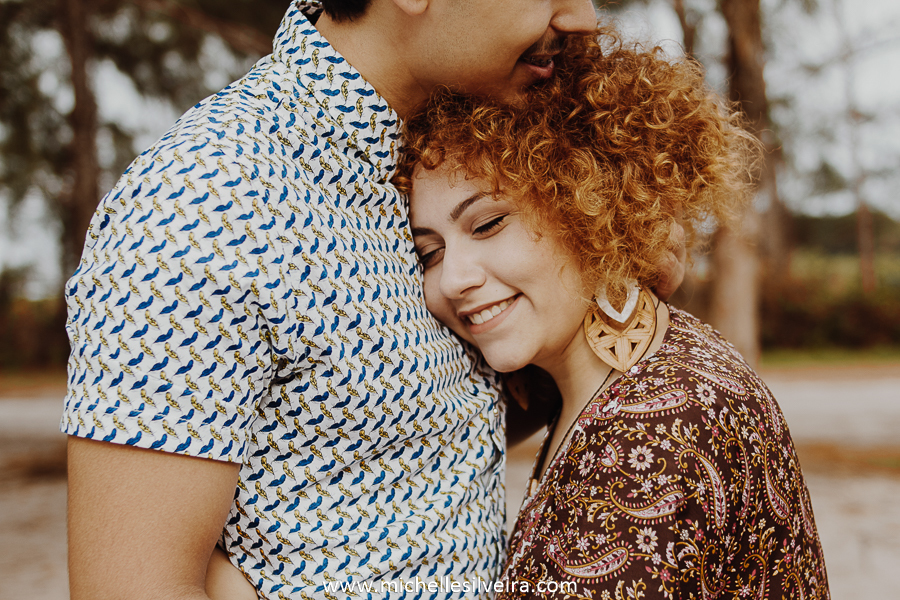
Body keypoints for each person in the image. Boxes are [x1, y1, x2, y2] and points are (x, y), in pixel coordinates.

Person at [63, 1, 686, 599]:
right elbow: (131, 589)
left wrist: (611, 274)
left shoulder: (450, 150)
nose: (578, 17)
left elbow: (439, 433)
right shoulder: (205, 203)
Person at [396, 28, 830, 599]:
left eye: (487, 224)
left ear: (592, 203)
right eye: (431, 251)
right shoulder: (643, 373)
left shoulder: (652, 431)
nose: (454, 278)